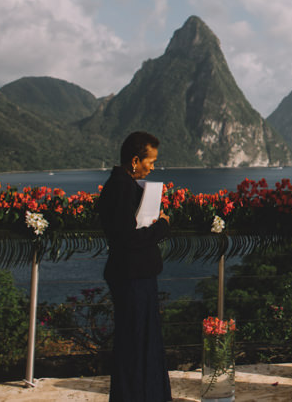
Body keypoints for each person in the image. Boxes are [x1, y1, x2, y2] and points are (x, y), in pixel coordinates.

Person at [97, 131, 173, 402]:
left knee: (139, 341)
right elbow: (127, 237)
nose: (152, 167)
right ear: (134, 160)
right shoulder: (121, 188)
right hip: (132, 277)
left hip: (135, 275)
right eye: (149, 162)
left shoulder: (123, 185)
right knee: (136, 343)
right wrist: (161, 226)